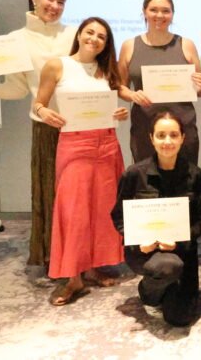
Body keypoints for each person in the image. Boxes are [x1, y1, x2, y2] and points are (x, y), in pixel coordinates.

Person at [0, 0, 76, 268]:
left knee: (80, 196)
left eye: (61, 2)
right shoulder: (16, 40)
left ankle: (84, 260)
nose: (54, 6)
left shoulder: (75, 35)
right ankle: (54, 258)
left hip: (79, 126)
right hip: (46, 127)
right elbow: (17, 89)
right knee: (50, 194)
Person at [32, 17, 129, 305]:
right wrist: (44, 112)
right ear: (79, 34)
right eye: (90, 32)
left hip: (107, 144)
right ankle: (73, 277)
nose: (94, 39)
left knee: (102, 210)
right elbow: (39, 103)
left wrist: (120, 113)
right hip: (74, 144)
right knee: (73, 211)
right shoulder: (57, 65)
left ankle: (95, 267)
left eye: (101, 36)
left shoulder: (107, 70)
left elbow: (115, 101)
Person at [111, 111, 201, 326]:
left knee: (179, 318)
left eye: (174, 135)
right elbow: (118, 215)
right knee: (166, 266)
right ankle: (149, 293)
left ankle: (167, 286)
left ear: (183, 138)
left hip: (183, 250)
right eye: (161, 135)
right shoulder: (134, 174)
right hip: (145, 251)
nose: (167, 141)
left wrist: (180, 241)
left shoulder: (196, 175)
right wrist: (138, 242)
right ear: (151, 138)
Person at [118, 0, 201, 166]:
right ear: (144, 12)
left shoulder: (186, 45)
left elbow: (199, 91)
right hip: (145, 127)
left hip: (182, 129)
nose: (159, 15)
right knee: (146, 178)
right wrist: (132, 95)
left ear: (172, 14)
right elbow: (120, 86)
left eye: (166, 11)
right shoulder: (129, 46)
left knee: (185, 178)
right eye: (154, 10)